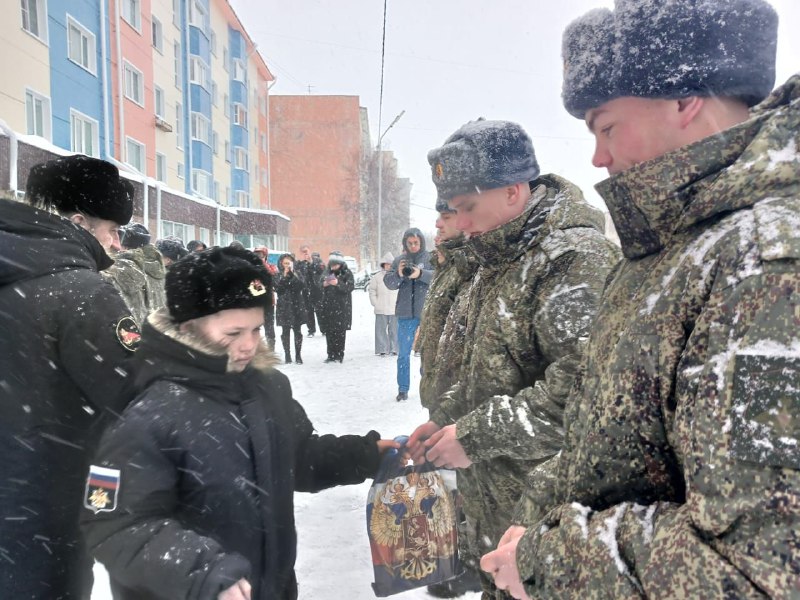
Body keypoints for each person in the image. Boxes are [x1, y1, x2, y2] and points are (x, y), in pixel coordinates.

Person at [481, 2, 800, 598]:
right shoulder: (671, 247)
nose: (598, 157)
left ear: (684, 99)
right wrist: (540, 515)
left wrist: (548, 560)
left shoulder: (763, 265)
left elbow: (757, 569)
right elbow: (614, 442)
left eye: (606, 127)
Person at [80, 246, 398, 599]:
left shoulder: (267, 386)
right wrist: (202, 572)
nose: (248, 345)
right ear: (188, 326)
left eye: (256, 329)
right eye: (233, 334)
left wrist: (363, 455)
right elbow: (114, 522)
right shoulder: (149, 409)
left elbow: (296, 456)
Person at [407, 119, 621, 599]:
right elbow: (486, 369)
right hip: (499, 519)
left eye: (467, 207)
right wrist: (445, 419)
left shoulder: (572, 261)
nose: (460, 223)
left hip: (548, 526)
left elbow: (585, 397)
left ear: (511, 190)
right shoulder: (499, 254)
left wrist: (473, 436)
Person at [0, 154, 138, 599]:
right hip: (42, 516)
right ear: (79, 221)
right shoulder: (81, 291)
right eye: (112, 230)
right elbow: (136, 399)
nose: (117, 244)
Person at [416, 202, 484, 598]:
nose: (438, 225)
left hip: (464, 391)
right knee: (449, 480)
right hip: (444, 390)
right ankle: (458, 554)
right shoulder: (447, 264)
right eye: (438, 218)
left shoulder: (473, 264)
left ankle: (468, 560)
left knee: (464, 480)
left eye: (447, 217)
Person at [383, 228, 434, 401]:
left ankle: (427, 387)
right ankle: (403, 389)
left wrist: (421, 274)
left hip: (426, 313)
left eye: (416, 243)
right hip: (405, 313)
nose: (413, 246)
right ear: (405, 243)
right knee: (403, 354)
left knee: (427, 353)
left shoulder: (430, 259)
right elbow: (389, 283)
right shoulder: (399, 260)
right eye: (410, 243)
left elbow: (438, 277)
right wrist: (399, 274)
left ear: (421, 242)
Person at [103, 223, 167, 326]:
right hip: (157, 329)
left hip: (131, 330)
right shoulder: (160, 269)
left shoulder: (121, 269)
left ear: (126, 246)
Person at [319, 251, 355, 363]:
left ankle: (339, 355)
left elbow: (350, 287)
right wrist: (323, 284)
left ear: (340, 264)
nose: (333, 267)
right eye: (332, 264)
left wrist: (338, 283)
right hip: (328, 307)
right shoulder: (327, 272)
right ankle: (330, 354)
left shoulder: (346, 273)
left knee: (340, 332)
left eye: (335, 264)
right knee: (329, 332)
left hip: (342, 308)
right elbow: (319, 283)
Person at [274, 253, 306, 364]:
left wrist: (292, 275)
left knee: (297, 330)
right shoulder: (278, 275)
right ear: (281, 264)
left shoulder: (298, 273)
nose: (287, 265)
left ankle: (298, 355)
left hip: (296, 304)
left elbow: (301, 286)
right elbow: (278, 289)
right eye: (285, 263)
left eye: (289, 263)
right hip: (284, 305)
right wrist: (284, 276)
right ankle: (287, 354)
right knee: (285, 331)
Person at [368, 252, 399, 356]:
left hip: (394, 309)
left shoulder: (397, 276)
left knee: (394, 330)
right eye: (386, 264)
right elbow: (372, 291)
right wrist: (375, 303)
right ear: (383, 265)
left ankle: (394, 348)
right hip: (381, 308)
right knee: (380, 330)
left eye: (390, 264)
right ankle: (382, 349)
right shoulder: (377, 277)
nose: (388, 266)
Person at [253, 245, 279, 349]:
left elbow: (275, 281)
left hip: (268, 301)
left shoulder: (271, 267)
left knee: (269, 327)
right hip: (255, 302)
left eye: (261, 255)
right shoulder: (251, 267)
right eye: (256, 254)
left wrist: (263, 265)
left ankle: (271, 349)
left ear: (265, 256)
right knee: (254, 327)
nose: (258, 257)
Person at [295, 245, 323, 337]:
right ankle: (311, 330)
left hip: (317, 289)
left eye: (306, 251)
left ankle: (324, 329)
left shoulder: (317, 261)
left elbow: (321, 270)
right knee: (308, 311)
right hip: (306, 290)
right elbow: (297, 274)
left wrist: (311, 262)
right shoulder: (299, 263)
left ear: (310, 251)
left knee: (320, 310)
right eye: (303, 252)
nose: (305, 253)